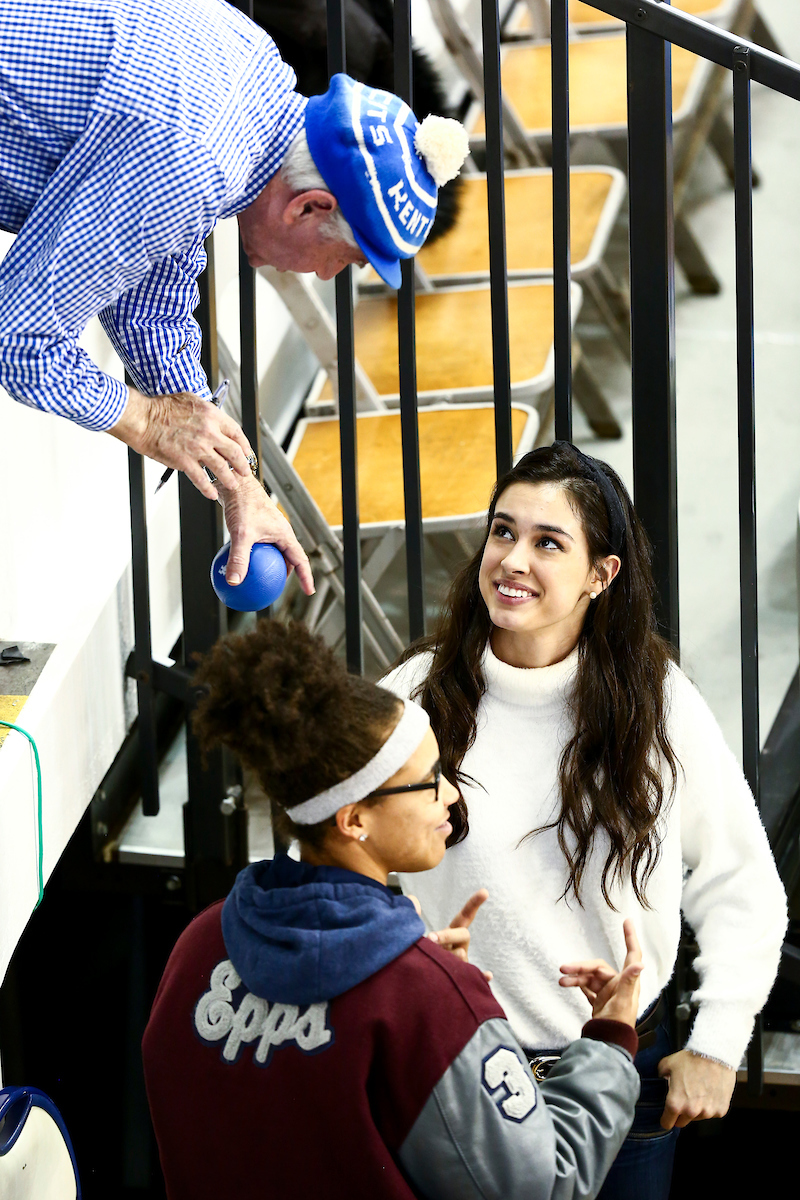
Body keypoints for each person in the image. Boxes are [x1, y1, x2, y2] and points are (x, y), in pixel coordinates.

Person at [380, 441, 787, 1200]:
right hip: (451, 1065)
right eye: (503, 531)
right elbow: (341, 862)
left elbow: (742, 877)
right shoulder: (416, 695)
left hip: (616, 1070)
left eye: (547, 542)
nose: (512, 560)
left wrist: (720, 1042)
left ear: (603, 575)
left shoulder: (655, 704)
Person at [142, 619, 643, 1200]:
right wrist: (608, 1040)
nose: (451, 794)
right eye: (427, 782)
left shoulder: (198, 948)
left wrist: (423, 979)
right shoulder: (424, 1002)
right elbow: (543, 1186)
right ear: (354, 819)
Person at [0, 0, 467, 591]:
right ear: (309, 207)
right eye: (342, 260)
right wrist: (144, 421)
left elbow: (153, 309)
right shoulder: (197, 164)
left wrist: (241, 484)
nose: (325, 278)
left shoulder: (252, 70)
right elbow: (20, 337)